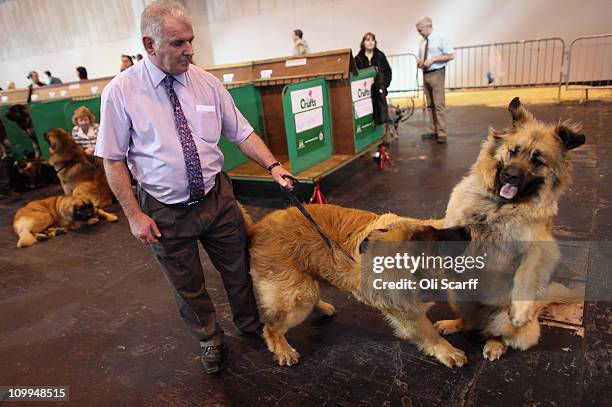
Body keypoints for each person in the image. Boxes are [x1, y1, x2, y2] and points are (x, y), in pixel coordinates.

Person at [95, 0, 294, 375]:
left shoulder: (207, 83)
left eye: (191, 41)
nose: (189, 50)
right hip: (163, 210)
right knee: (187, 285)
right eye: (177, 43)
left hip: (217, 199)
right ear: (149, 45)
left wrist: (273, 165)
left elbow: (241, 132)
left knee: (239, 269)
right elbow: (112, 159)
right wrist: (134, 216)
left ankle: (251, 326)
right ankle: (209, 339)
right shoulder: (121, 92)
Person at [416, 17, 454, 144]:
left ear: (428, 26)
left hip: (437, 73)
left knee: (438, 104)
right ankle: (434, 130)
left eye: (420, 30)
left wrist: (434, 59)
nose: (419, 32)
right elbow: (420, 56)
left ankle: (442, 132)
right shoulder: (422, 42)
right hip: (425, 73)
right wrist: (419, 62)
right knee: (430, 104)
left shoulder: (440, 37)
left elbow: (450, 55)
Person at [354, 32, 393, 140]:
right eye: (367, 40)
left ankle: (384, 137)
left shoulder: (380, 55)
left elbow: (388, 71)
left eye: (372, 40)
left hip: (379, 91)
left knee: (382, 112)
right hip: (364, 93)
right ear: (363, 43)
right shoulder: (358, 58)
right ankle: (368, 138)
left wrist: (385, 85)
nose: (370, 42)